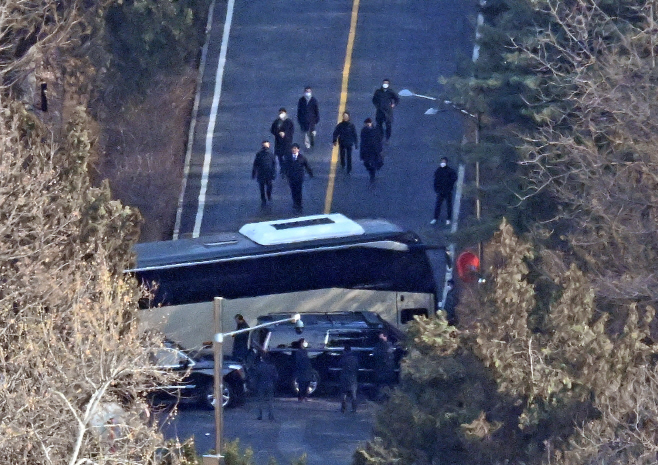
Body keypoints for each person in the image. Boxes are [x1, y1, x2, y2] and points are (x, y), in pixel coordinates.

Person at [431, 157, 458, 226]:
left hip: (448, 191)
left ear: (446, 162)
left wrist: (449, 186)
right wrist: (436, 189)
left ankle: (448, 219)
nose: (443, 163)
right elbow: (435, 180)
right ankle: (435, 218)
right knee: (438, 205)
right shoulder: (438, 170)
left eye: (444, 161)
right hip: (440, 191)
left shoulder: (450, 171)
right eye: (442, 161)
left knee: (448, 205)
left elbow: (454, 178)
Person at [287, 143, 314, 211]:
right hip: (291, 177)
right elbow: (285, 166)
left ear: (298, 150)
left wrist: (310, 173)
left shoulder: (302, 158)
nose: (294, 150)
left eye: (295, 148)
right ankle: (295, 202)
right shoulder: (288, 157)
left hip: (299, 177)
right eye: (293, 148)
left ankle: (299, 203)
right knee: (293, 190)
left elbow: (307, 166)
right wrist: (284, 173)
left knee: (299, 190)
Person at [253, 353, 278, 421]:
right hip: (270, 385)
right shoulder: (272, 367)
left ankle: (260, 416)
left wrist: (255, 385)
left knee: (260, 401)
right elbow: (276, 377)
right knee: (270, 401)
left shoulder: (259, 366)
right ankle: (271, 416)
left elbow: (256, 377)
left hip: (261, 385)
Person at [270, 108, 294, 176]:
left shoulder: (289, 121)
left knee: (287, 155)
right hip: (278, 142)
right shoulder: (276, 122)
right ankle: (282, 168)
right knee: (279, 156)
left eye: (282, 113)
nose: (281, 114)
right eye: (280, 113)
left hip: (287, 142)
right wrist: (278, 133)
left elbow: (291, 131)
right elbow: (272, 130)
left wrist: (285, 134)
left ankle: (287, 168)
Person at [251, 141, 277, 207]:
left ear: (269, 146)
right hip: (261, 173)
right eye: (264, 146)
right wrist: (254, 173)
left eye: (266, 146)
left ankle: (268, 195)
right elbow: (255, 164)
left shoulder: (271, 154)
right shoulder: (259, 154)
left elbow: (274, 164)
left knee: (269, 186)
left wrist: (274, 173)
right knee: (262, 187)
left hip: (268, 173)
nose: (265, 148)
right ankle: (263, 199)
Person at [372, 332, 395, 401]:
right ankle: (381, 399)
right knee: (380, 386)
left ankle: (389, 398)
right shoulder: (378, 346)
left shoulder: (389, 345)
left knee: (388, 385)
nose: (380, 339)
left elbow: (390, 355)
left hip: (387, 369)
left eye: (381, 338)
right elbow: (375, 355)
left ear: (386, 337)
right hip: (380, 369)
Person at [359, 118, 383, 182]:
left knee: (373, 163)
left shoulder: (375, 130)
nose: (368, 124)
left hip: (374, 150)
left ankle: (372, 175)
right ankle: (371, 171)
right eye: (367, 123)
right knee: (366, 163)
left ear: (371, 123)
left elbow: (379, 140)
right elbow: (362, 141)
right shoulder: (364, 131)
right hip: (367, 150)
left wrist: (380, 149)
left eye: (369, 123)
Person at [339, 344, 359, 413]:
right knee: (353, 395)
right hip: (353, 378)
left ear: (344, 351)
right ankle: (354, 409)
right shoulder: (355, 359)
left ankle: (343, 408)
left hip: (344, 378)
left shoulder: (343, 358)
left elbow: (340, 365)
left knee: (343, 394)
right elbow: (357, 368)